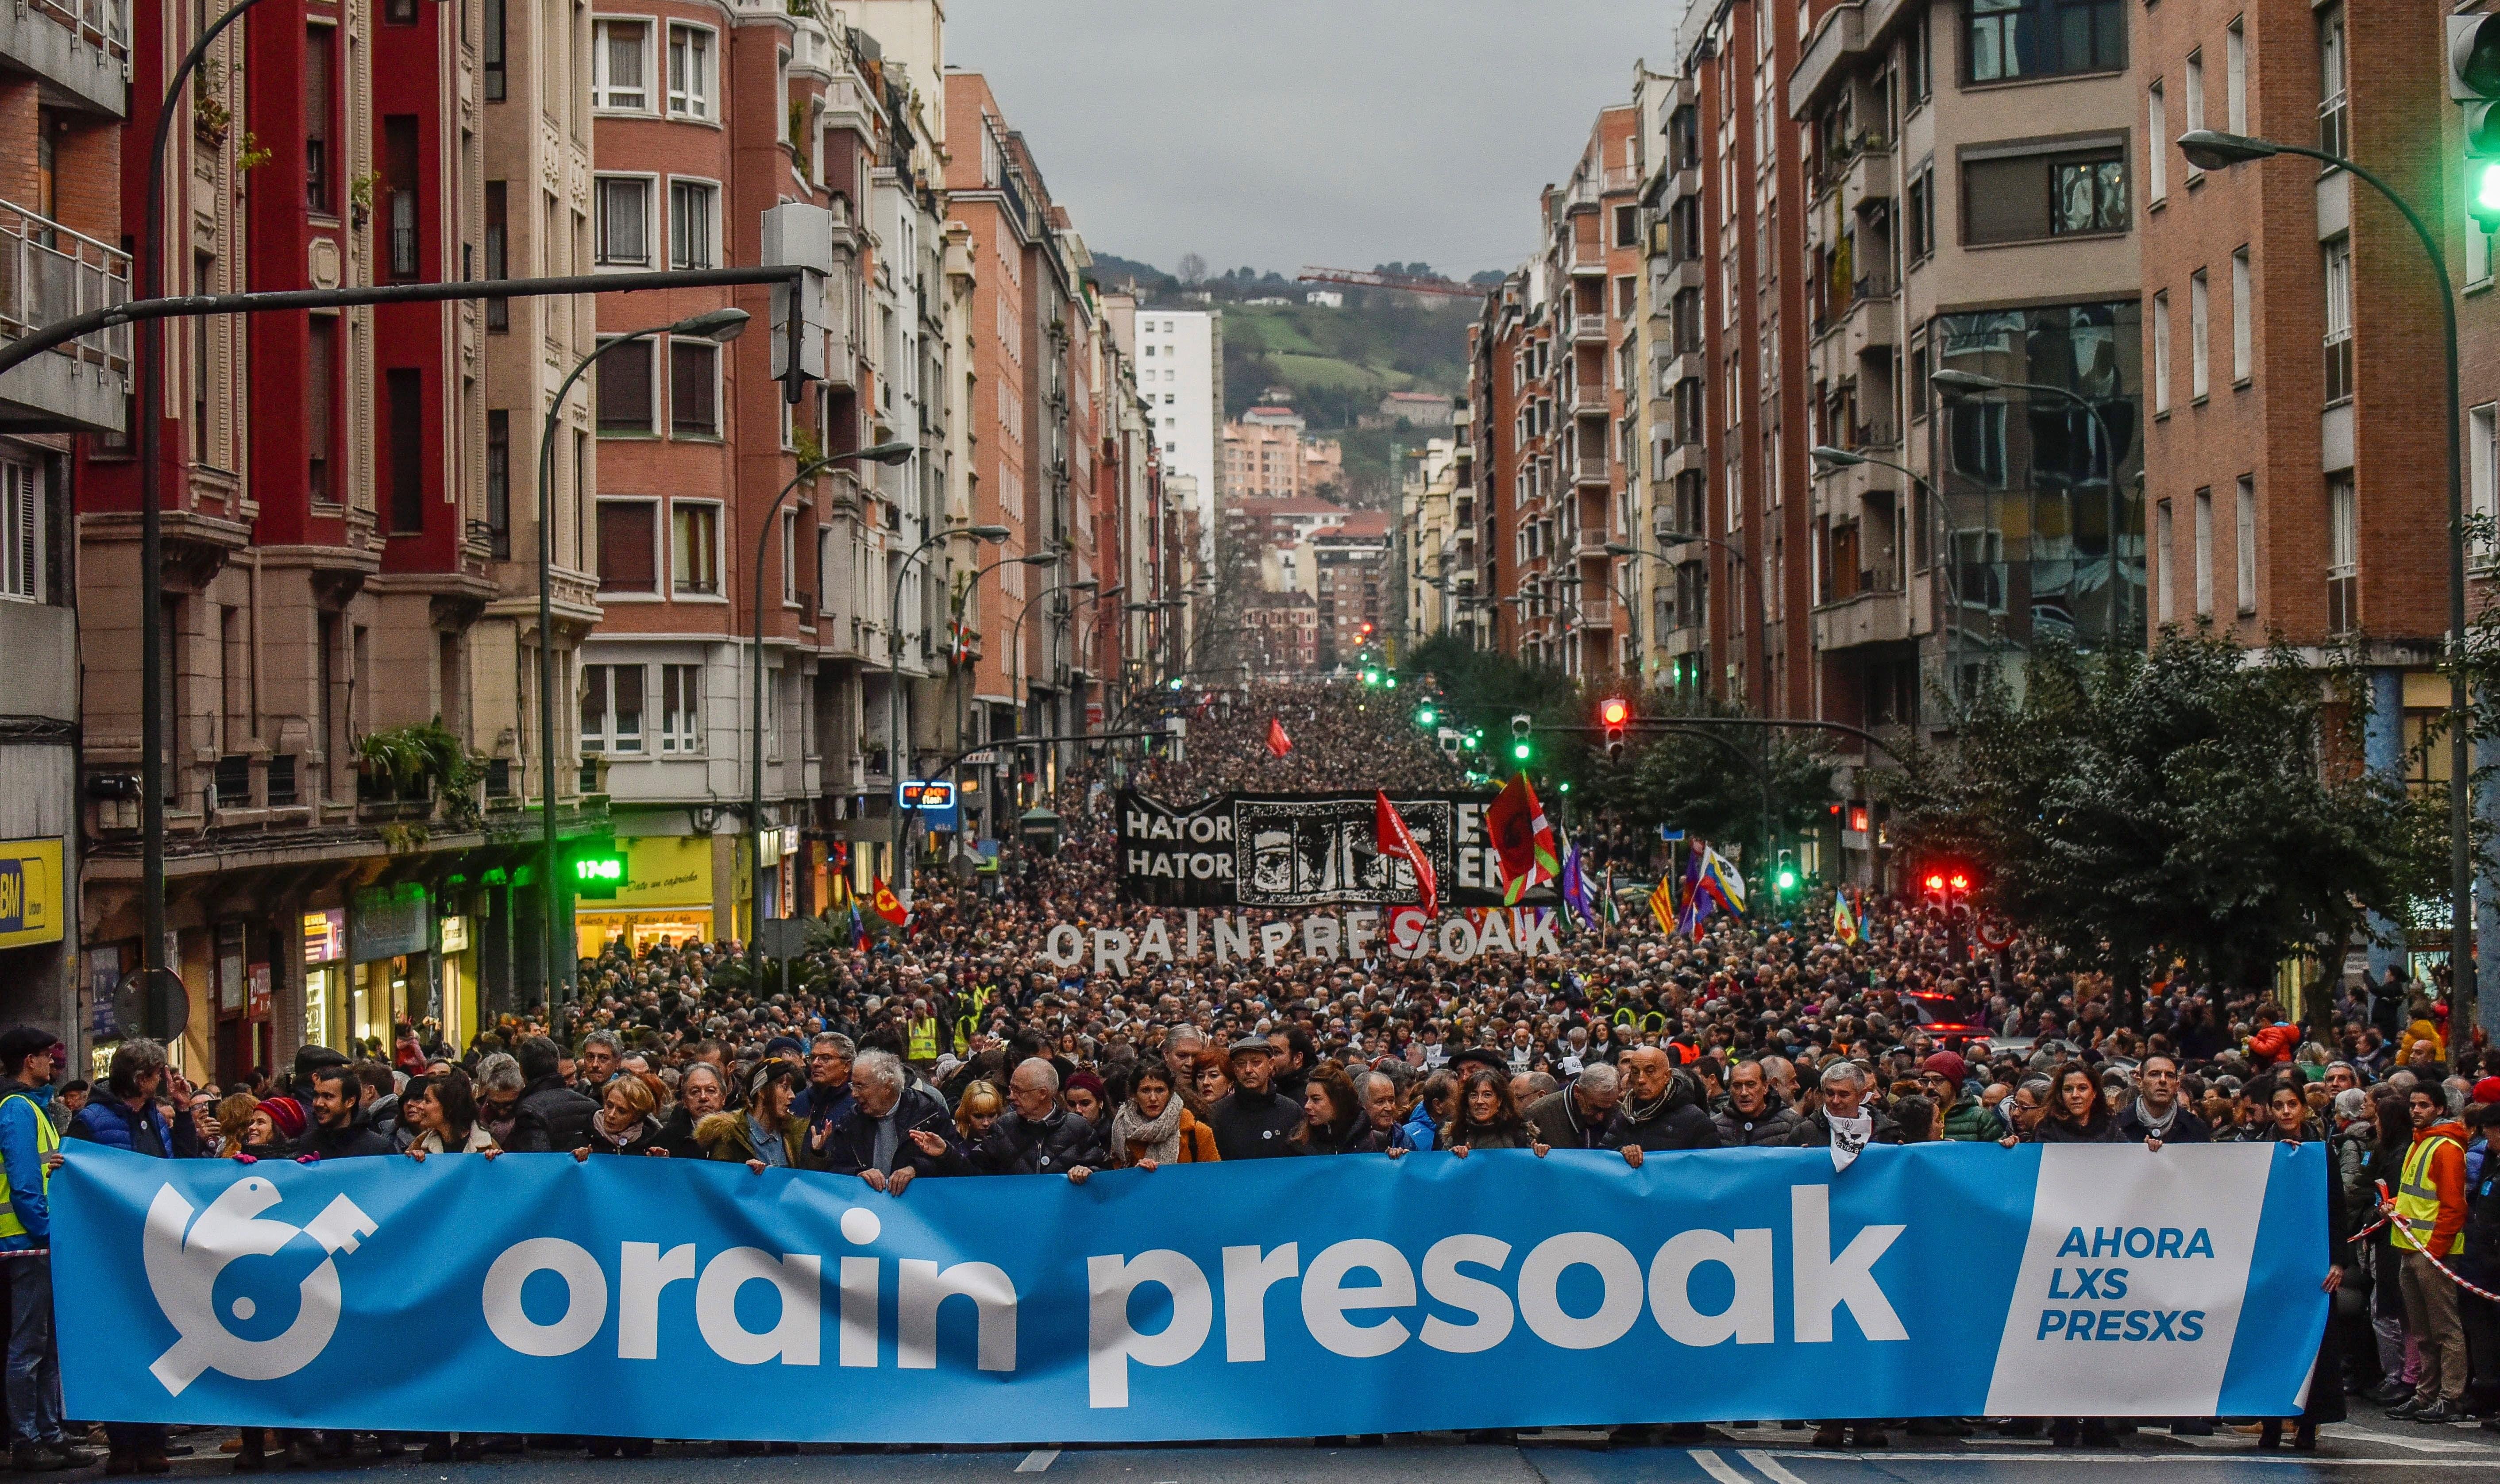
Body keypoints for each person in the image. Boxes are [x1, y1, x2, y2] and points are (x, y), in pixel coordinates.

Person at [0, 1027, 84, 1473]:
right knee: (29, 1346)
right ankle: (28, 1438)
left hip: (32, 1240)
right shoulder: (17, 1108)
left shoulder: (31, 1107)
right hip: (26, 1243)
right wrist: (47, 1230)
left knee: (45, 1345)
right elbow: (24, 1178)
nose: (53, 1061)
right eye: (47, 1056)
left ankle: (48, 1433)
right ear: (28, 1060)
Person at [2254, 1075, 2347, 1449]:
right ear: (2271, 1110)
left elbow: (2337, 1208)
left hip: (2313, 1268)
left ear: (2303, 1107)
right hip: (2272, 1266)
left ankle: (2308, 1424)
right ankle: (2271, 1423)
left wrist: (2339, 1261)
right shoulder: (2258, 1150)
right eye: (2279, 1105)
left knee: (2314, 1344)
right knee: (2270, 1341)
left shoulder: (2322, 1152)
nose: (2286, 1111)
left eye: (2292, 1104)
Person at [2385, 1082, 2469, 1423]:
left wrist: (2434, 1251)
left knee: (2444, 1329)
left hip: (2430, 1253)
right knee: (2422, 1330)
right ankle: (2426, 1394)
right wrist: (2392, 1205)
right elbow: (2417, 1197)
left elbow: (2453, 1207)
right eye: (2413, 1104)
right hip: (2413, 1249)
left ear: (2439, 1109)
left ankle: (2450, 1397)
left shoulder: (2445, 1148)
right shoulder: (2421, 1144)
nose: (2416, 1110)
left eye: (2424, 1105)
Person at [811, 1049, 962, 1192]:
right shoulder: (850, 1122)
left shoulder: (929, 1114)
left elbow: (954, 1164)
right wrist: (858, 1174)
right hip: (869, 1212)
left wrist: (916, 1169)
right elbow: (835, 1169)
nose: (854, 1094)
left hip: (919, 1211)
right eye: (853, 1085)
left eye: (861, 1086)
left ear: (888, 1085)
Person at [969, 1059, 1104, 1179]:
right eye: (1011, 1089)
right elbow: (971, 1173)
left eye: (1018, 1091)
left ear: (1042, 1094)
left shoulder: (1079, 1128)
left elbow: (1105, 1174)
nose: (1011, 1096)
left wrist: (1089, 1172)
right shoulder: (1003, 1127)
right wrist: (948, 1154)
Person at [1206, 1036, 1304, 1160]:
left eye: (1256, 1063)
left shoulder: (1291, 1111)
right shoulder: (1216, 1114)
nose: (1248, 1070)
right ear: (1234, 1068)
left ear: (1270, 1065)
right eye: (1241, 1064)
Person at [1613, 1045, 1721, 1158]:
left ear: (1667, 1076)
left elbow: (1711, 1166)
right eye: (1635, 1073)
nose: (1641, 1080)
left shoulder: (1695, 1120)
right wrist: (1622, 1152)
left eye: (1650, 1072)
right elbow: (1603, 1158)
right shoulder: (1626, 1114)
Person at [1111, 1062, 1216, 1168]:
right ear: (1134, 1095)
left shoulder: (1198, 1133)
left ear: (1170, 1093)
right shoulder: (1122, 1130)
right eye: (1146, 1091)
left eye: (1160, 1090)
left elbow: (1214, 1177)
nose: (1153, 1098)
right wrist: (1137, 1174)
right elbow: (1118, 1180)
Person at [504, 1036, 597, 1153]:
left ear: (521, 1070)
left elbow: (536, 1161)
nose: (574, 1082)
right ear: (557, 1063)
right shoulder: (592, 1106)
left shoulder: (529, 1111)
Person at [1527, 1061, 1630, 1151]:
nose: (1601, 1117)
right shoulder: (1540, 1113)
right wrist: (1536, 1150)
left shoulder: (1621, 1112)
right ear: (1578, 1092)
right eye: (1595, 1108)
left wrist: (1630, 1150)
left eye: (1608, 1110)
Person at [299, 1064, 395, 1159]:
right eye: (316, 1096)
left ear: (350, 1102)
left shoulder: (378, 1149)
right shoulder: (305, 1146)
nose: (318, 1103)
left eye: (328, 1097)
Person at [2118, 1052, 2212, 1147]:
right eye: (2154, 1074)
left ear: (2177, 1086)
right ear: (2140, 1082)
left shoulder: (2196, 1128)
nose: (2163, 1080)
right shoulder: (2117, 1126)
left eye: (2170, 1076)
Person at [402, 1072, 497, 1159]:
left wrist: (495, 1162)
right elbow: (406, 1176)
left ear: (450, 1107)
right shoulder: (420, 1144)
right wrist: (413, 1164)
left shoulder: (487, 1146)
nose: (420, 1106)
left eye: (427, 1101)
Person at [1444, 1068, 1538, 1155]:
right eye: (1474, 1095)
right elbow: (1440, 1170)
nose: (1479, 1101)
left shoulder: (1520, 1135)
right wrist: (1451, 1157)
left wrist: (1539, 1153)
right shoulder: (1456, 1136)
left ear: (1500, 1101)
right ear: (1467, 1101)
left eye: (1487, 1095)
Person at [1920, 1051, 2006, 1141]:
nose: (1930, 1086)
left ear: (1955, 1083)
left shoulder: (1981, 1119)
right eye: (1925, 1080)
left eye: (1938, 1080)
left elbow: (1996, 1153)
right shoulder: (1915, 1116)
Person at [574, 1074, 665, 1157]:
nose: (611, 1115)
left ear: (636, 1117)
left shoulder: (650, 1145)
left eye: (622, 1111)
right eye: (609, 1106)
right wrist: (574, 1160)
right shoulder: (582, 1141)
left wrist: (662, 1164)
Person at [1713, 1060, 1800, 1146]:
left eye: (1751, 1085)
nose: (1744, 1093)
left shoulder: (1792, 1124)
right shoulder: (1714, 1127)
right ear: (1730, 1089)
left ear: (1765, 1087)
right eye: (1737, 1086)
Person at [1302, 1065, 1384, 1153]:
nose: (1307, 1106)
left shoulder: (1374, 1142)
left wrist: (1396, 1156)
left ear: (1337, 1101)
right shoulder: (1300, 1141)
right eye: (1307, 1099)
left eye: (1316, 1099)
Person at [655, 1062, 725, 1159]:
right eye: (695, 1092)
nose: (703, 1097)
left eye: (711, 1091)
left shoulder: (740, 1137)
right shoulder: (666, 1139)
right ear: (685, 1101)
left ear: (724, 1097)